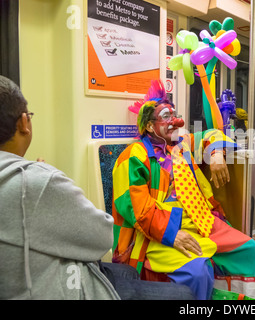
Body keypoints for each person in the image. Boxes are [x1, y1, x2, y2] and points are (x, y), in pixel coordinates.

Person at [0, 75, 194, 300]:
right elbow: (103, 239)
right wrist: (42, 178)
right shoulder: (37, 180)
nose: (175, 122)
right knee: (185, 294)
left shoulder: (177, 151)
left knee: (129, 274)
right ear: (24, 123)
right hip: (67, 286)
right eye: (166, 116)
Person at [112, 80, 255, 300]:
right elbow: (137, 209)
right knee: (198, 271)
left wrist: (216, 153)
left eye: (174, 114)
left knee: (249, 248)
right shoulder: (133, 156)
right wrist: (172, 234)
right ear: (150, 126)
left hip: (200, 219)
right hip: (156, 231)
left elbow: (213, 134)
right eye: (166, 116)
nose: (176, 120)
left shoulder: (182, 143)